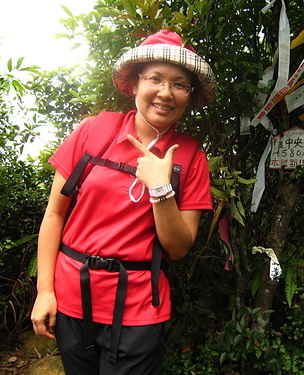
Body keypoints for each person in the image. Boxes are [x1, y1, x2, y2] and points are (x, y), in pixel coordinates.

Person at [30, 29, 216, 375]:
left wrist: (161, 190)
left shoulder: (191, 156)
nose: (165, 93)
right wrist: (44, 291)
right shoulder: (94, 131)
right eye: (156, 79)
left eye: (179, 84)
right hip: (72, 297)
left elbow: (178, 248)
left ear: (189, 97)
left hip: (139, 308)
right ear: (135, 84)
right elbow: (55, 214)